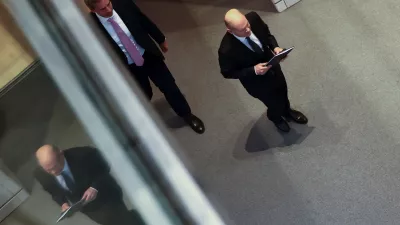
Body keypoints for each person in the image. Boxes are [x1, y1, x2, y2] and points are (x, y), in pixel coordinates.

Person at [84, 0, 205, 134]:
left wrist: (160, 39)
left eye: (108, 4)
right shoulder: (90, 26)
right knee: (142, 94)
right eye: (102, 9)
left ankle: (186, 114)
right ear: (93, 10)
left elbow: (143, 20)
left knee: (169, 86)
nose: (108, 9)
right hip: (128, 66)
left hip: (147, 54)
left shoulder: (123, 3)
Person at [218, 9, 308, 132]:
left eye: (247, 25)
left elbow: (267, 35)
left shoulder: (253, 18)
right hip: (257, 83)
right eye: (242, 30)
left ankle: (287, 112)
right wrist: (253, 70)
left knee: (282, 91)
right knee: (272, 102)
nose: (248, 30)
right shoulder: (226, 50)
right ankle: (275, 118)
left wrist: (275, 47)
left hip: (273, 66)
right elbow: (227, 73)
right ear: (230, 30)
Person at [35, 145, 143, 225]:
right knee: (111, 221)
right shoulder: (41, 174)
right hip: (86, 206)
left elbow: (104, 168)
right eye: (49, 170)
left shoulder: (84, 154)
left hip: (105, 194)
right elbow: (54, 191)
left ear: (61, 154)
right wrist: (63, 203)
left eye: (55, 166)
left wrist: (94, 187)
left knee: (121, 219)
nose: (54, 172)